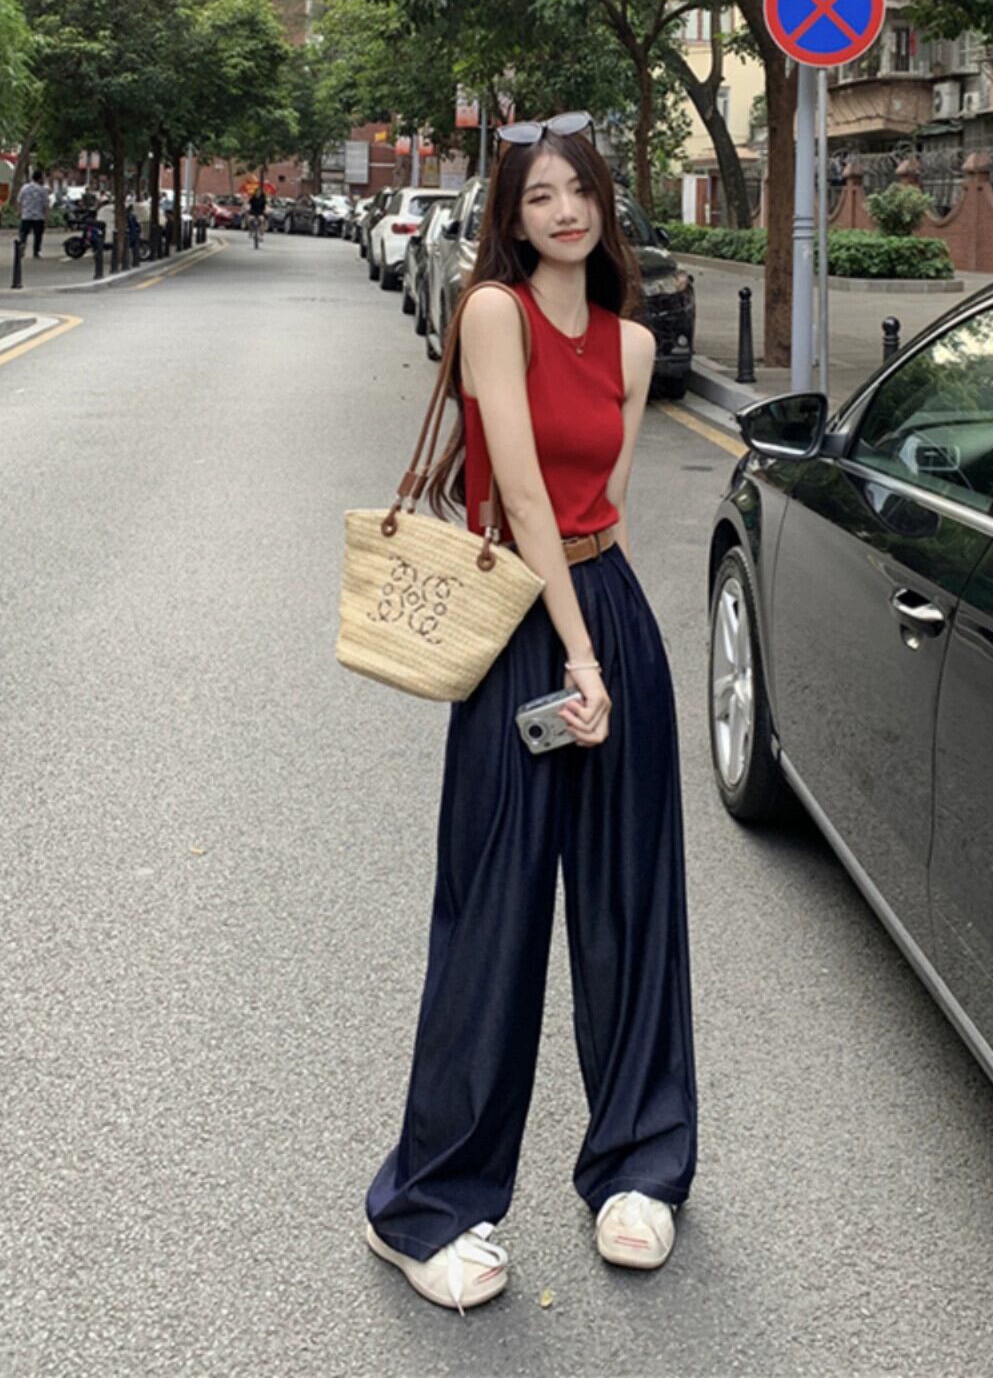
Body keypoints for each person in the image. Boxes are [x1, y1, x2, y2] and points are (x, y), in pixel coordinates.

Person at [364, 111, 698, 1313]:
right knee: (495, 909)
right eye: (538, 196)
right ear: (509, 218)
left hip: (610, 619)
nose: (564, 211)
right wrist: (575, 651)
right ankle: (427, 1204)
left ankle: (640, 1167)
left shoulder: (634, 345)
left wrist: (613, 652)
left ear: (604, 202)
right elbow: (517, 489)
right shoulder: (493, 313)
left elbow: (609, 504)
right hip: (524, 625)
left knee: (631, 904)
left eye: (579, 191)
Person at [17, 169, 51, 258]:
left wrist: (19, 212)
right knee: (38, 235)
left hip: (26, 215)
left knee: (24, 233)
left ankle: (22, 244)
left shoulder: (24, 188)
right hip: (38, 216)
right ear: (39, 179)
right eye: (43, 178)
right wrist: (47, 217)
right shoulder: (43, 190)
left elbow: (19, 200)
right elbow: (45, 205)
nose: (44, 180)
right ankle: (36, 252)